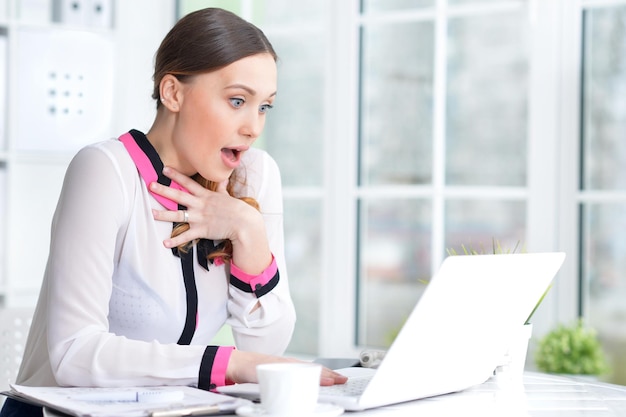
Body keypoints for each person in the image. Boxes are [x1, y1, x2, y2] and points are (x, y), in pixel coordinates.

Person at [0, 7, 346, 417]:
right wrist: (225, 363)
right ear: (173, 93)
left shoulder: (257, 175)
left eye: (264, 107)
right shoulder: (105, 170)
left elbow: (265, 350)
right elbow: (74, 353)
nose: (254, 126)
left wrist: (247, 228)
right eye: (238, 100)